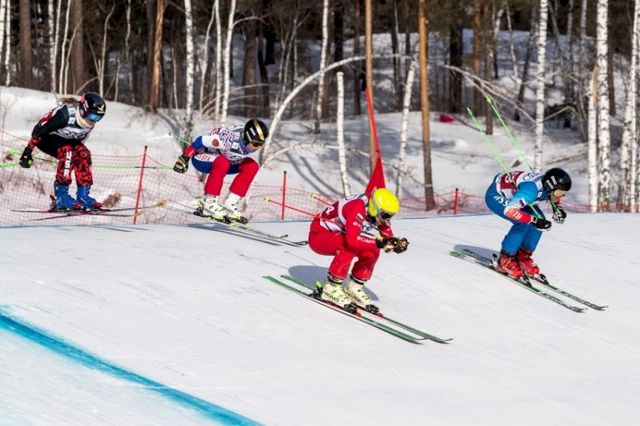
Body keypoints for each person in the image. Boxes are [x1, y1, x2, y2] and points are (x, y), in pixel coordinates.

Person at [308, 188, 409, 314]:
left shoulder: (375, 212)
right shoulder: (357, 208)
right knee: (349, 246)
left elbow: (386, 235)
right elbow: (352, 240)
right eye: (385, 215)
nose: (386, 219)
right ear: (374, 208)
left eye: (390, 216)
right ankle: (331, 287)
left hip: (339, 235)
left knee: (373, 249)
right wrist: (379, 242)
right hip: (319, 236)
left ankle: (354, 287)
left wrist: (395, 244)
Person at [19, 92, 107, 210]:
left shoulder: (89, 124)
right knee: (67, 152)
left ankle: (83, 196)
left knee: (83, 153)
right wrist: (27, 152)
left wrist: (75, 160)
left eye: (98, 118)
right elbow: (38, 132)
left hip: (65, 139)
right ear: (84, 110)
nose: (94, 120)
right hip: (45, 138)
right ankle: (61, 197)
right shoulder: (65, 115)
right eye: (92, 116)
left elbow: (79, 143)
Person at [173, 119, 269, 224]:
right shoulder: (228, 140)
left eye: (261, 144)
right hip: (201, 158)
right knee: (223, 162)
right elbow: (200, 140)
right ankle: (209, 203)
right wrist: (184, 158)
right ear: (247, 138)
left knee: (252, 166)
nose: (258, 147)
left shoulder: (247, 140)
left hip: (225, 160)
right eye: (256, 144)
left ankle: (230, 204)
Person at [485, 168, 572, 279]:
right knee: (523, 223)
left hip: (516, 198)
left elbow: (554, 195)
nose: (561, 196)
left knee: (540, 220)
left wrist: (558, 208)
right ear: (549, 186)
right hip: (496, 195)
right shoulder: (531, 190)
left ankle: (522, 257)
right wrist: (533, 220)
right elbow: (510, 211)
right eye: (559, 193)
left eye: (563, 193)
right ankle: (505, 259)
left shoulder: (548, 187)